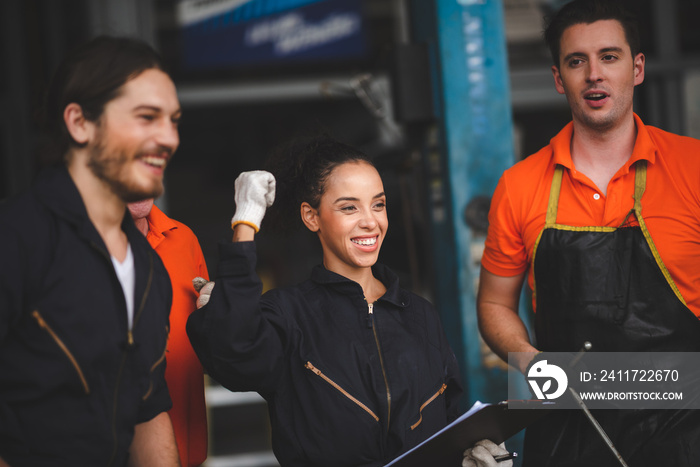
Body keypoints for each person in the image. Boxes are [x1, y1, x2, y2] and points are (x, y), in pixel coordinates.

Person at [187, 137, 509, 467]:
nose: (370, 221)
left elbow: (449, 421)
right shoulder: (288, 314)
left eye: (378, 204)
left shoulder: (419, 314)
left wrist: (470, 457)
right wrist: (246, 224)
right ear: (311, 217)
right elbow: (237, 358)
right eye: (349, 207)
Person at [477, 0, 700, 466]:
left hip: (687, 427)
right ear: (559, 78)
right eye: (577, 61)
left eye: (610, 57)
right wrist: (528, 360)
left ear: (637, 68)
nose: (594, 74)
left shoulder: (692, 167)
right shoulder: (520, 186)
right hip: (570, 429)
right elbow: (495, 304)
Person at [0, 36, 181, 466]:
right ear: (80, 123)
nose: (169, 137)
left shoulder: (149, 267)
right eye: (147, 117)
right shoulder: (15, 236)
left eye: (173, 120)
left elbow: (147, 409)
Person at [129, 199, 209, 467]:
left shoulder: (183, 238)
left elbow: (209, 348)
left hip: (184, 447)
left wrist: (221, 319)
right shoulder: (68, 249)